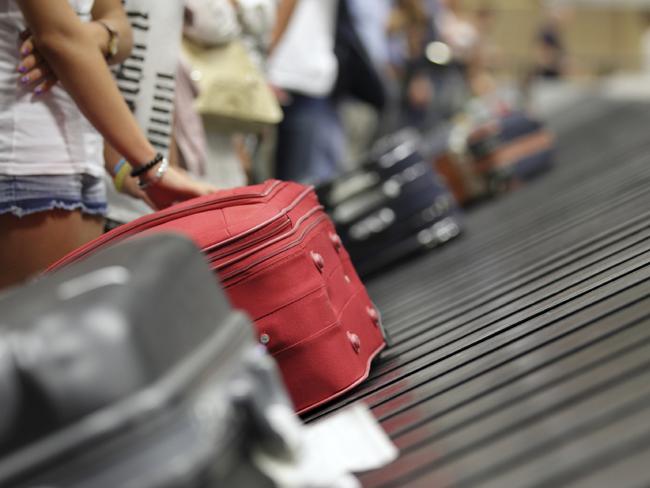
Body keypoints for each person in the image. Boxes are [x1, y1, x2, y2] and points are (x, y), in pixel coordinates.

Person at [0, 0, 216, 290]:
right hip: (24, 156)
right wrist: (152, 165)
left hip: (81, 157)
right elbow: (58, 37)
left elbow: (117, 24)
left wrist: (94, 36)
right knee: (33, 328)